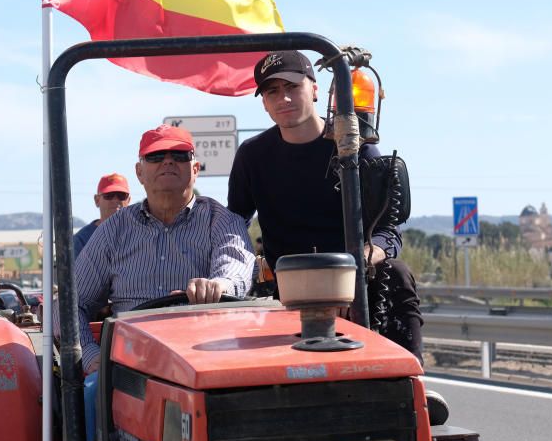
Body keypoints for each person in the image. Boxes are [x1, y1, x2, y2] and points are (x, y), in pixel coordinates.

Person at [227, 50, 424, 364]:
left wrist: (362, 264)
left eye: (292, 87)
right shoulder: (253, 156)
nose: (284, 99)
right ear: (264, 103)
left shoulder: (355, 147)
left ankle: (410, 377)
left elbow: (389, 229)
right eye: (272, 91)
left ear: (315, 89)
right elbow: (233, 224)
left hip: (356, 279)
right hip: (290, 285)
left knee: (397, 273)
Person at [75, 124, 255, 375]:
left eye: (179, 156)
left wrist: (219, 285)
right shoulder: (113, 230)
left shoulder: (222, 221)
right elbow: (71, 303)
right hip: (128, 365)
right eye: (156, 156)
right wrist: (93, 357)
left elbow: (234, 269)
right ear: (139, 172)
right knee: (92, 394)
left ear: (195, 169)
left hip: (202, 359)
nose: (168, 162)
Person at [73, 173, 132, 260]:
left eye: (121, 196)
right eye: (109, 195)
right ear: (97, 200)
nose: (115, 200)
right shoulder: (81, 240)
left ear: (129, 200)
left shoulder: (141, 235)